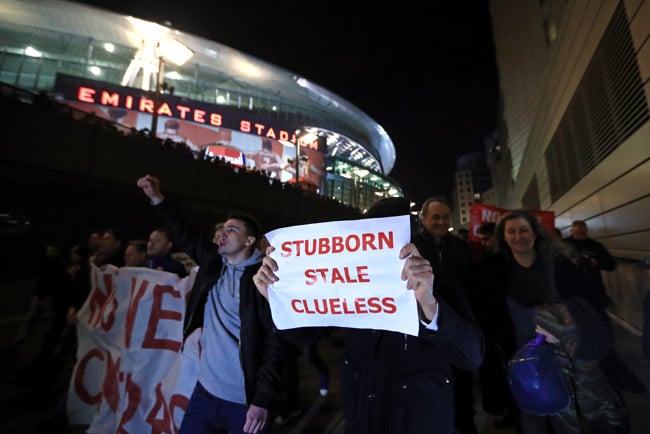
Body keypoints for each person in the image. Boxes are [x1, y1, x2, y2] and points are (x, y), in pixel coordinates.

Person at [252, 196, 484, 434]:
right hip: (364, 415)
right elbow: (306, 335)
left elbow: (471, 356)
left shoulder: (439, 281)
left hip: (420, 419)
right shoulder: (350, 284)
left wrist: (430, 305)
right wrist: (278, 299)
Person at [136, 174, 286, 434]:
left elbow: (276, 343)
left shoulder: (266, 279)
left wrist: (262, 400)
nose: (222, 234)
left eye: (231, 230)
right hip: (204, 393)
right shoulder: (213, 265)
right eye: (221, 229)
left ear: (250, 241)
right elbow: (183, 232)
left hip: (244, 404)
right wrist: (156, 197)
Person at [482, 209, 629, 433]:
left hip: (568, 352)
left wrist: (558, 319)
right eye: (511, 231)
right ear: (503, 236)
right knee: (532, 412)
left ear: (535, 233)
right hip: (524, 356)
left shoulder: (558, 264)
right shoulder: (494, 270)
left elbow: (585, 299)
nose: (518, 236)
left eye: (523, 230)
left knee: (574, 409)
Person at [412, 196, 478, 434]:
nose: (441, 222)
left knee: (463, 388)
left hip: (459, 324)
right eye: (435, 217)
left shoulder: (461, 247)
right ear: (423, 218)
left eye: (445, 217)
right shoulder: (412, 246)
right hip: (426, 331)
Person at [563, 220, 645, 394]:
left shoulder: (595, 246)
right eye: (577, 233)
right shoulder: (565, 246)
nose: (580, 236)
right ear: (572, 231)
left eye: (582, 233)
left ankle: (606, 354)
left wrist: (596, 262)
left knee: (602, 325)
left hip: (594, 293)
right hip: (575, 294)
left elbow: (611, 264)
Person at [468, 221, 519, 429]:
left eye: (487, 238)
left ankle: (513, 410)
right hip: (497, 327)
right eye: (481, 239)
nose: (484, 243)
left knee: (507, 372)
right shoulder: (489, 260)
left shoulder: (501, 262)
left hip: (503, 327)